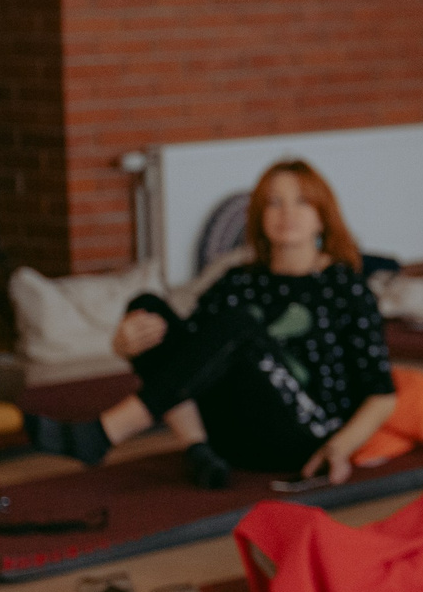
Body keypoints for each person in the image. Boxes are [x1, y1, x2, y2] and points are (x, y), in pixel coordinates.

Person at [26, 161, 399, 490]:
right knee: (148, 309)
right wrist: (123, 346)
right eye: (273, 202)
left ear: (323, 215)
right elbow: (191, 352)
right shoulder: (239, 280)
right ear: (258, 216)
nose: (287, 213)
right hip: (233, 436)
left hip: (302, 436)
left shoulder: (344, 286)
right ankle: (198, 449)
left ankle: (105, 432)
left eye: (302, 201)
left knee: (239, 325)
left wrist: (339, 448)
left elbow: (381, 392)